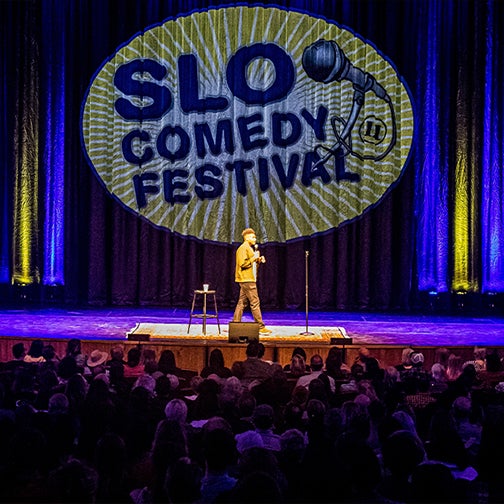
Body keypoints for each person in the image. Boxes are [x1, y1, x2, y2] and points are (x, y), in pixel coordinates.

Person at [232, 227, 271, 334]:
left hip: (248, 278)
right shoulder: (243, 248)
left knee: (242, 303)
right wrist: (254, 257)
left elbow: (251, 264)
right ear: (247, 238)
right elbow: (243, 264)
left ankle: (235, 323)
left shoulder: (249, 248)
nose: (255, 239)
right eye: (253, 237)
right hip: (247, 279)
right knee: (255, 302)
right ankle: (260, 326)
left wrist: (258, 259)